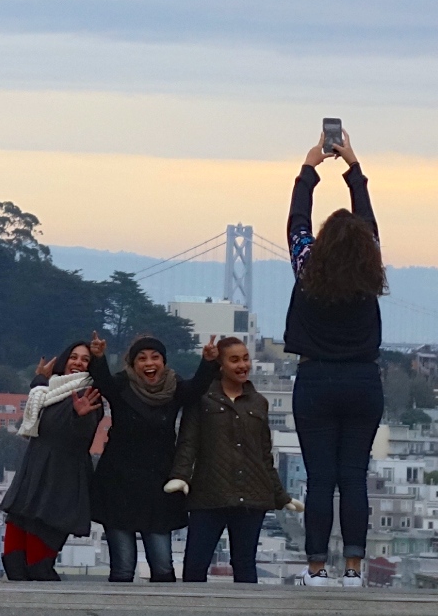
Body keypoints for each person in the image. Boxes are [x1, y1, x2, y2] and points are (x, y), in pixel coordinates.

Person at [285, 130, 386, 588]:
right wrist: (353, 169)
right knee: (354, 478)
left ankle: (316, 569)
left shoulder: (307, 264)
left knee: (320, 479)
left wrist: (309, 170)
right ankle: (353, 570)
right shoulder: (371, 267)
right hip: (364, 381)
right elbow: (366, 219)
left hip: (316, 381)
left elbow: (296, 222)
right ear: (367, 243)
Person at [165, 337, 305, 583]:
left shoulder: (258, 401)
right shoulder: (201, 398)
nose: (242, 365)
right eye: (234, 360)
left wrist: (281, 496)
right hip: (209, 494)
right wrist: (180, 476)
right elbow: (188, 442)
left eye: (245, 358)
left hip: (253, 495)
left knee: (245, 565)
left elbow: (264, 455)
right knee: (195, 565)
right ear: (220, 365)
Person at [87, 331, 219, 582]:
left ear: (164, 362)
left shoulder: (174, 387)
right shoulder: (122, 385)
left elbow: (196, 389)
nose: (149, 363)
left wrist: (209, 362)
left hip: (159, 483)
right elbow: (102, 382)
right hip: (118, 483)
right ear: (133, 364)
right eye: (142, 358)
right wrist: (98, 357)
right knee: (123, 566)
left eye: (155, 357)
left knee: (162, 565)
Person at [0, 341, 104, 581]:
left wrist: (81, 417)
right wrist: (38, 379)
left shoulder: (89, 395)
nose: (78, 362)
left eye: (85, 359)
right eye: (74, 357)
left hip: (59, 485)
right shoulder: (47, 391)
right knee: (13, 561)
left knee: (39, 565)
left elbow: (83, 435)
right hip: (31, 479)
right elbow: (38, 411)